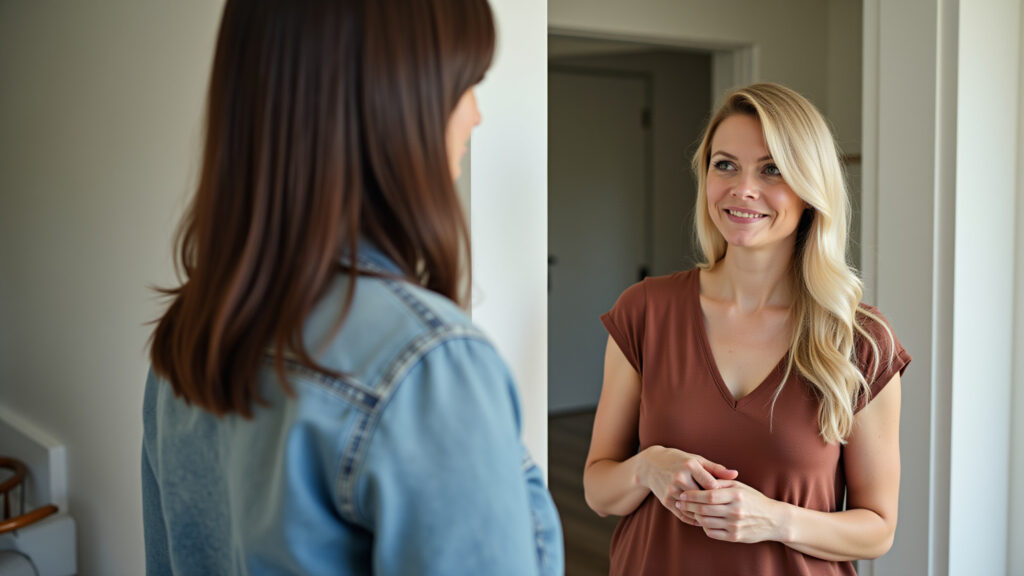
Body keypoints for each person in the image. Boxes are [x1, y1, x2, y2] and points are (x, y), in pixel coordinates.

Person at [141, 1, 563, 574]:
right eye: (463, 85)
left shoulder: (195, 330)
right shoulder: (426, 366)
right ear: (390, 101)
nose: (476, 115)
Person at [583, 82, 911, 575]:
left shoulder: (861, 340)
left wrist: (775, 520)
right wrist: (647, 467)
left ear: (809, 189)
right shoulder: (645, 311)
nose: (743, 188)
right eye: (725, 164)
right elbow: (598, 491)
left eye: (772, 169)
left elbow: (878, 529)